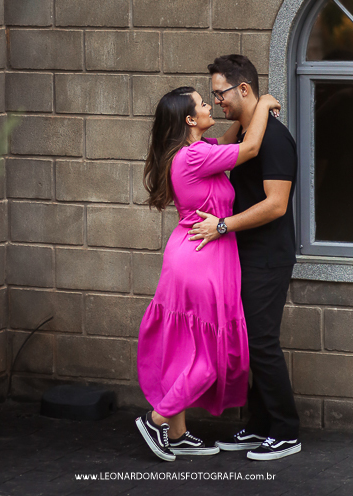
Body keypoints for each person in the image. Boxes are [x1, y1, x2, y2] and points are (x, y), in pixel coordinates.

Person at [135, 85, 281, 462]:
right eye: (203, 103)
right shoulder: (197, 156)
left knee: (185, 347)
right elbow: (248, 150)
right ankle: (158, 419)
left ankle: (179, 433)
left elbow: (231, 140)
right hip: (203, 258)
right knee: (210, 356)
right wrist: (263, 102)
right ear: (189, 119)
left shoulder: (192, 152)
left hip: (190, 254)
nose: (210, 104)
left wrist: (248, 116)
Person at [189, 54, 300, 462]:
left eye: (221, 94)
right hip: (248, 255)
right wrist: (263, 104)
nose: (217, 102)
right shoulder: (250, 133)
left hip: (269, 257)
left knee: (262, 344)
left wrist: (222, 225)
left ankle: (286, 430)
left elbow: (276, 205)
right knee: (251, 344)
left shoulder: (274, 139)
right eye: (214, 96)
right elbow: (234, 142)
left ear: (244, 89)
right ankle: (259, 426)